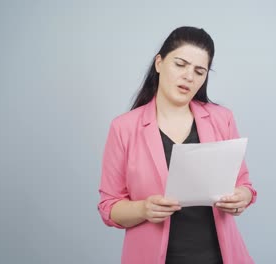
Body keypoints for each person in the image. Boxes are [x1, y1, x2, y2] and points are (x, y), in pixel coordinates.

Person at [98, 26, 257, 264]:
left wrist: (241, 198)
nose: (189, 77)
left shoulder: (222, 119)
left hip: (219, 257)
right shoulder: (124, 128)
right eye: (180, 64)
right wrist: (143, 209)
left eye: (199, 71)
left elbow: (243, 184)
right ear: (159, 63)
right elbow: (109, 207)